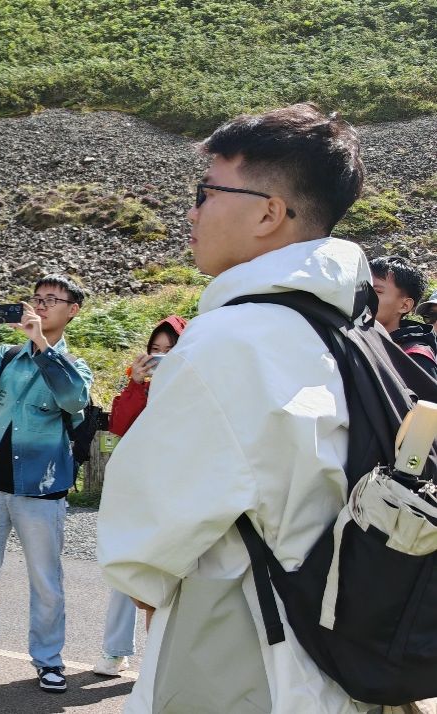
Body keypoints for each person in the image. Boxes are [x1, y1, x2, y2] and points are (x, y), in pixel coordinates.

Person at [98, 103, 370, 712]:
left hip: (240, 645)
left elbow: (146, 535)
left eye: (206, 192)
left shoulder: (229, 339)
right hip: (338, 644)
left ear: (269, 212)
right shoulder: (351, 332)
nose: (192, 211)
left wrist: (141, 574)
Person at [0, 275, 92, 695]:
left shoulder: (74, 364)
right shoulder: (8, 356)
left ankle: (48, 660)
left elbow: (73, 399)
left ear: (72, 310)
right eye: (36, 298)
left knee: (45, 579)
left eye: (51, 300)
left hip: (42, 486)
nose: (40, 305)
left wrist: (42, 344)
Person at [91, 315, 186, 678]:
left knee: (167, 579)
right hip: (138, 490)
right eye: (155, 349)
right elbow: (118, 427)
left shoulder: (195, 390)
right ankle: (116, 651)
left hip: (176, 494)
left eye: (169, 350)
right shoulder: (140, 389)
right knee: (127, 568)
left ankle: (160, 665)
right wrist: (135, 385)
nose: (160, 356)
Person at [370, 255, 437, 379]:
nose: (364, 296)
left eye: (377, 291)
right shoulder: (353, 336)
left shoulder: (415, 358)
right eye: (362, 288)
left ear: (405, 305)